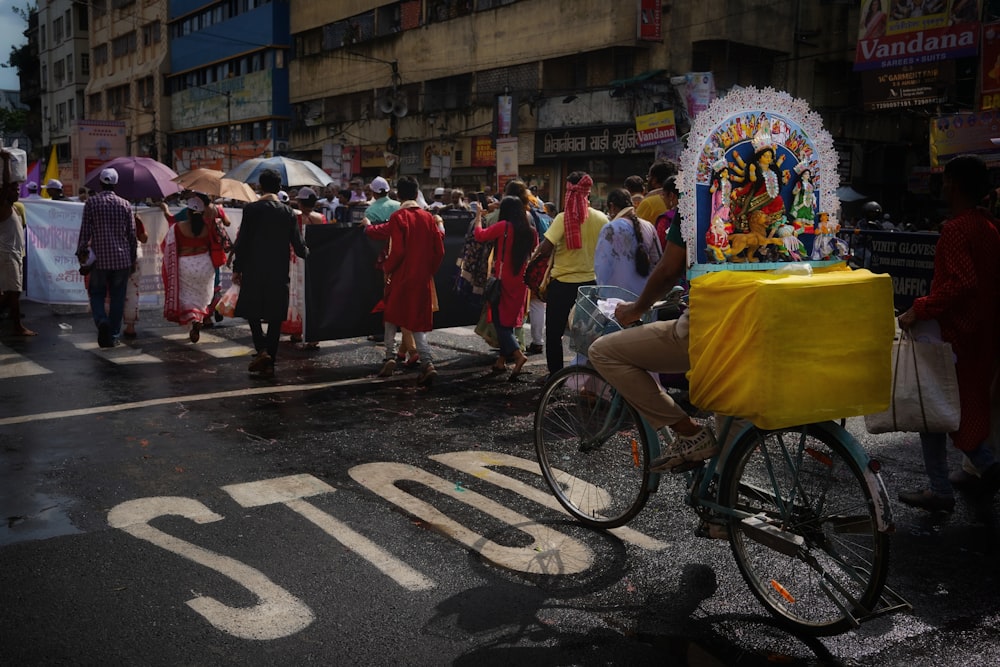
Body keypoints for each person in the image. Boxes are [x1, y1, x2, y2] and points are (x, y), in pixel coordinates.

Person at [588, 184, 719, 473]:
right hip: (760, 324)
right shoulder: (649, 225)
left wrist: (635, 308)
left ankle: (689, 431)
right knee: (731, 447)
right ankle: (721, 506)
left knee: (602, 352)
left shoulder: (699, 197)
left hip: (706, 323)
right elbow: (660, 263)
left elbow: (667, 268)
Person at [896, 154, 1000, 512]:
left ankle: (959, 480)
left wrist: (919, 309)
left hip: (956, 337)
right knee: (962, 408)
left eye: (945, 179)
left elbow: (962, 283)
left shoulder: (956, 230)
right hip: (983, 335)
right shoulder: (987, 225)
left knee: (934, 411)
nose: (941, 185)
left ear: (954, 184)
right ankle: (977, 470)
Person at [362, 175, 445, 387]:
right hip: (422, 277)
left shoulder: (399, 217)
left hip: (401, 276)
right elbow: (439, 250)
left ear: (398, 194)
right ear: (417, 193)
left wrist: (388, 268)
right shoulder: (428, 217)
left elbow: (395, 249)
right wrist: (428, 271)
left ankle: (389, 357)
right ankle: (427, 363)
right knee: (417, 322)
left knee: (390, 316)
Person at [529, 171, 608, 377]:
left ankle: (556, 375)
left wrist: (532, 261)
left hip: (563, 284)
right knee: (591, 334)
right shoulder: (602, 218)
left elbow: (545, 248)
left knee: (554, 333)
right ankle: (592, 375)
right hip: (591, 284)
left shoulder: (563, 219)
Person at [232, 169, 309, 378]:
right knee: (276, 316)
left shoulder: (251, 209)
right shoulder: (288, 212)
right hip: (278, 270)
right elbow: (300, 247)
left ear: (259, 186)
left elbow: (243, 242)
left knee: (252, 311)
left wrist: (237, 268)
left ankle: (262, 349)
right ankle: (270, 361)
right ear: (280, 187)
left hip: (253, 269)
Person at [473, 196, 536, 378]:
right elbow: (535, 252)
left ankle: (518, 355)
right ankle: (501, 362)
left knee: (501, 323)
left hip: (502, 281)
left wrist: (478, 216)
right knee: (508, 321)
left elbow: (480, 235)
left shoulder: (504, 227)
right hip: (521, 282)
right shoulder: (531, 231)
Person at [75, 168, 137, 348]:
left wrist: (81, 257)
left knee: (97, 293)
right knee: (118, 297)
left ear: (101, 183)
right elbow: (131, 235)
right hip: (122, 259)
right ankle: (114, 335)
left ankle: (102, 320)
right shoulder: (125, 204)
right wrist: (132, 259)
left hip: (100, 260)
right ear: (115, 184)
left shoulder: (91, 203)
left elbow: (84, 233)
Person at [162, 194, 225, 343]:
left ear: (188, 211)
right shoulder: (209, 227)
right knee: (201, 297)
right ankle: (199, 317)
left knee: (186, 296)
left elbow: (167, 246)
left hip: (185, 265)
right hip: (205, 265)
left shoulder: (178, 227)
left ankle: (193, 320)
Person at [594, 188, 662, 297]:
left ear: (612, 206)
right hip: (644, 299)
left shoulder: (609, 229)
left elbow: (602, 267)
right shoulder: (649, 226)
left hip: (616, 300)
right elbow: (657, 262)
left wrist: (601, 293)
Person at [282, 187, 325, 347]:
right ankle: (313, 336)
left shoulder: (295, 216)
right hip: (315, 260)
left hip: (296, 260)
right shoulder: (321, 217)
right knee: (312, 295)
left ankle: (298, 332)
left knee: (297, 295)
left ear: (300, 202)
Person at [0, 149, 34, 336]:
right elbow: (5, 185)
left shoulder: (14, 208)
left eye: (18, 188)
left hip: (13, 255)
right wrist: (5, 162)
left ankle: (16, 325)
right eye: (14, 189)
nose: (17, 190)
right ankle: (17, 327)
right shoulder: (2, 204)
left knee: (12, 292)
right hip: (7, 255)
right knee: (14, 291)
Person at [122, 212, 149, 339]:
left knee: (114, 291)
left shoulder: (110, 215)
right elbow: (144, 238)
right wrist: (139, 222)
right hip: (135, 256)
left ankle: (111, 324)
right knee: (132, 292)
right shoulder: (134, 218)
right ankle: (130, 326)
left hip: (116, 255)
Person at [635, 159, 678, 226]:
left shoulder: (648, 202)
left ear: (654, 180)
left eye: (648, 177)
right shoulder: (680, 198)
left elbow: (635, 228)